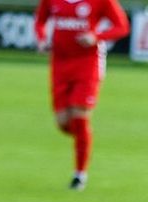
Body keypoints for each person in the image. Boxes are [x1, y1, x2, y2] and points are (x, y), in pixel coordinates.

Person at [34, 0, 130, 190]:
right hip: (60, 65)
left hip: (88, 64)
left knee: (79, 116)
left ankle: (79, 174)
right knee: (63, 123)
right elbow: (40, 20)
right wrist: (42, 38)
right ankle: (85, 139)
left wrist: (96, 36)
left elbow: (122, 27)